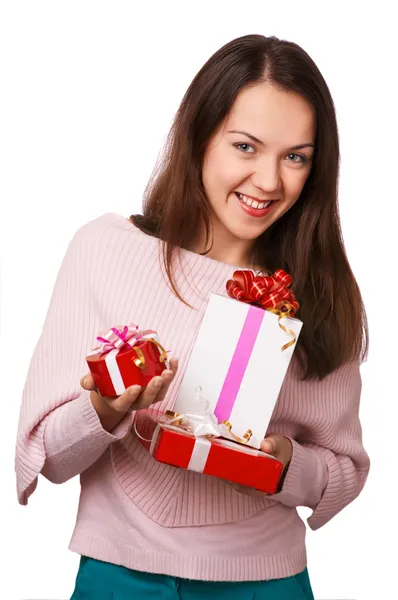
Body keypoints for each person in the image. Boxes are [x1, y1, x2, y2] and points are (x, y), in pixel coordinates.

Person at [15, 34, 370, 599]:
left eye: (296, 157)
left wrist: (283, 467)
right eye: (246, 147)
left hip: (266, 582)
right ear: (200, 136)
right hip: (118, 575)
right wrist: (104, 409)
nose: (270, 181)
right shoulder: (105, 249)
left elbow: (346, 471)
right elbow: (46, 458)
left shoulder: (321, 292)